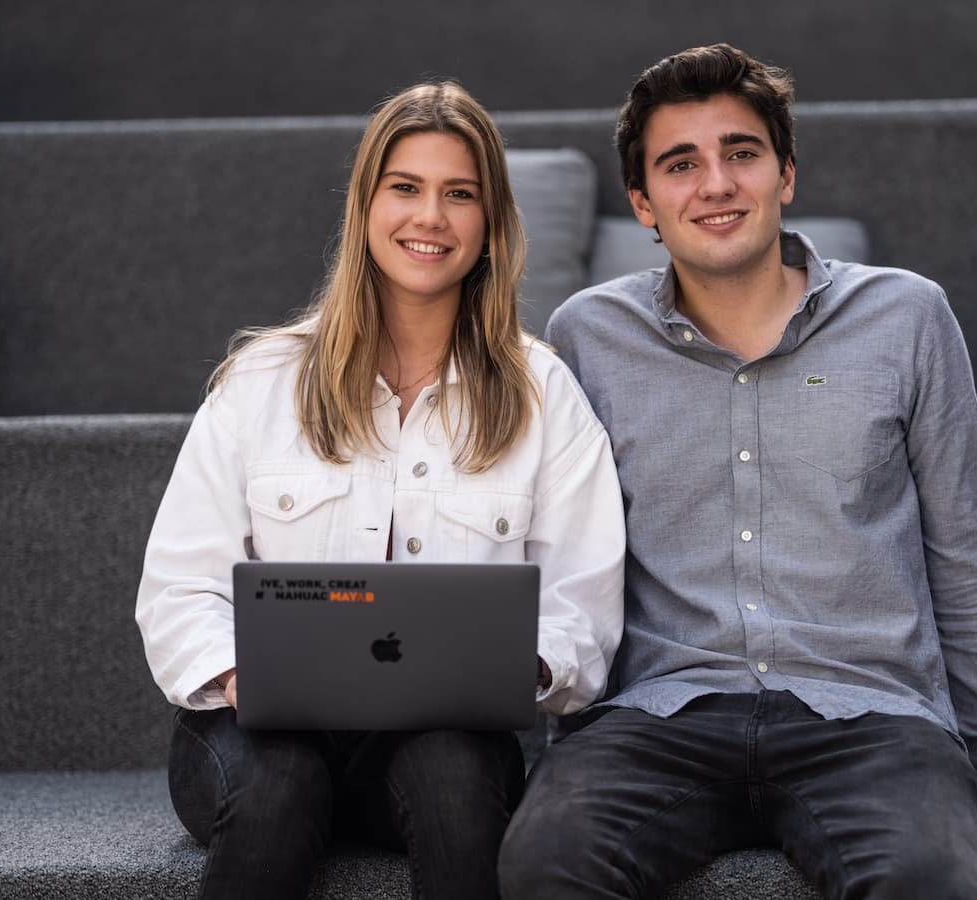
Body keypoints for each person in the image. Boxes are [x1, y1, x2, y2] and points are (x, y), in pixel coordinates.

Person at [498, 44, 977, 900]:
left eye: (741, 153)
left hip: (872, 717)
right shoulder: (586, 337)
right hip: (658, 719)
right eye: (682, 165)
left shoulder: (907, 316)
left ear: (785, 175)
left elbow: (967, 552)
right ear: (644, 203)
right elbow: (553, 547)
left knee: (927, 881)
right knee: (544, 863)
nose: (715, 183)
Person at [135, 81, 624, 900]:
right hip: (260, 735)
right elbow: (179, 586)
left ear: (491, 225)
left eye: (459, 194)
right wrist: (236, 677)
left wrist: (520, 663)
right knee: (279, 786)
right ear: (365, 207)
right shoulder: (263, 381)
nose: (430, 217)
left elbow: (583, 603)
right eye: (405, 187)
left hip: (442, 740)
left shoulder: (545, 393)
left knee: (456, 783)